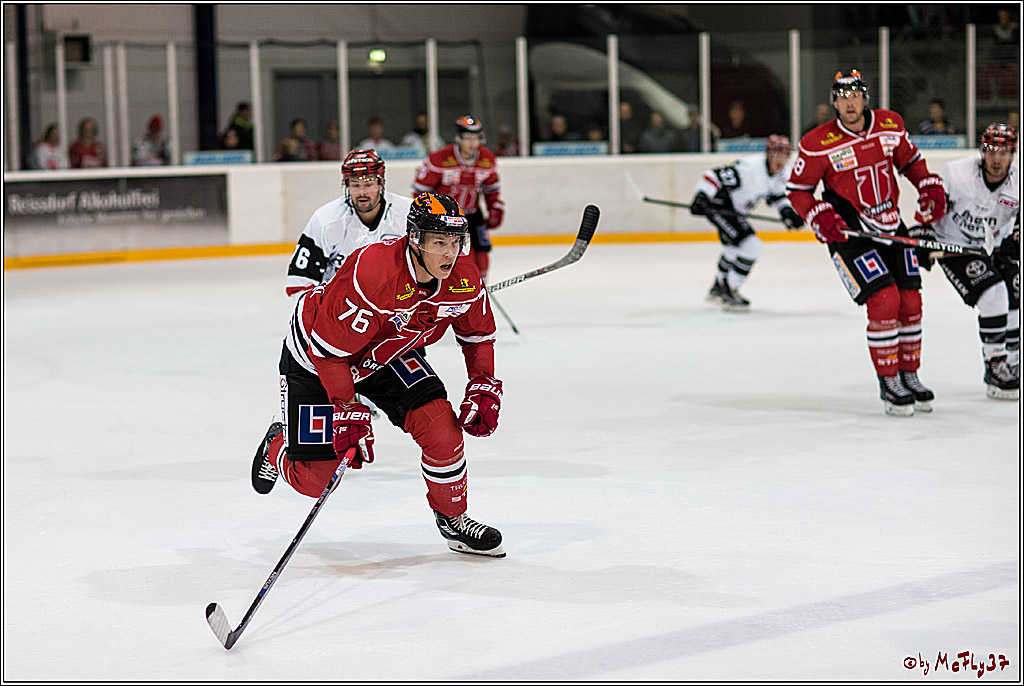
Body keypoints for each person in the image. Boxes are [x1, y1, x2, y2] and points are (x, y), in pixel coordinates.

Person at [250, 192, 506, 558]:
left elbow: (477, 335)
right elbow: (330, 353)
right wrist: (346, 406)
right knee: (316, 481)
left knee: (441, 429)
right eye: (439, 242)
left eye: (455, 242)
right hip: (318, 358)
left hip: (386, 355)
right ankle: (277, 444)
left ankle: (453, 520)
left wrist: (482, 382)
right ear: (415, 239)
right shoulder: (373, 272)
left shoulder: (464, 277)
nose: (450, 253)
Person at [786, 69, 948, 417]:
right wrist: (818, 215)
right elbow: (798, 190)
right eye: (842, 96)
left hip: (891, 226)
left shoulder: (890, 124)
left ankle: (910, 375)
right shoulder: (817, 142)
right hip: (852, 235)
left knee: (910, 301)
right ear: (834, 101)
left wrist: (928, 184)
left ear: (865, 97)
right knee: (885, 300)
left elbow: (910, 161)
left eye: (855, 94)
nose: (849, 102)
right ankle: (889, 381)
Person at [916, 123, 1019, 399]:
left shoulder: (1019, 180)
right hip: (955, 247)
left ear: (1014, 153)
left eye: (1004, 152)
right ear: (982, 151)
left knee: (1016, 289)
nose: (997, 158)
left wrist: (1017, 237)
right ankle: (995, 365)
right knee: (994, 292)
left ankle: (1013, 360)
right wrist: (925, 232)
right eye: (991, 150)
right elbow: (929, 206)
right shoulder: (957, 173)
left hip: (992, 247)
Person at [691, 135, 804, 311]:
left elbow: (777, 196)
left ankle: (719, 286)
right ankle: (730, 289)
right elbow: (712, 175)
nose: (780, 160)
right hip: (720, 205)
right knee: (752, 246)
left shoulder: (783, 174)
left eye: (784, 156)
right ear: (768, 154)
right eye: (776, 155)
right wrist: (702, 196)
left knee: (732, 248)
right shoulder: (749, 168)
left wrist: (787, 212)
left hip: (735, 210)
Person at [285, 148, 413, 298]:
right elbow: (300, 283)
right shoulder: (326, 220)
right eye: (355, 185)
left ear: (381, 183)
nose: (362, 193)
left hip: (396, 305)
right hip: (340, 307)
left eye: (368, 184)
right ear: (346, 185)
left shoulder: (408, 214)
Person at [412, 116, 504, 280]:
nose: (472, 144)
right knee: (456, 256)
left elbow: (491, 189)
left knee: (482, 255)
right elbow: (421, 190)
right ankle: (455, 288)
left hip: (473, 215)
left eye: (475, 138)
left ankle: (482, 287)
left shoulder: (486, 159)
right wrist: (428, 215)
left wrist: (495, 208)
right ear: (459, 138)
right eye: (468, 138)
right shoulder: (440, 159)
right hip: (445, 217)